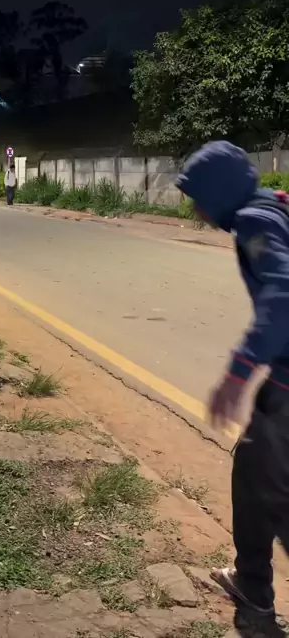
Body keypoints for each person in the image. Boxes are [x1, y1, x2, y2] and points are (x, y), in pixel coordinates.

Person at [176, 140, 289, 620]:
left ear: (218, 193)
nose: (197, 210)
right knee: (258, 470)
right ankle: (252, 580)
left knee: (268, 484)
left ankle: (254, 586)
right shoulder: (276, 208)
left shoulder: (255, 223)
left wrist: (237, 375)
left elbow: (283, 297)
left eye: (198, 198)